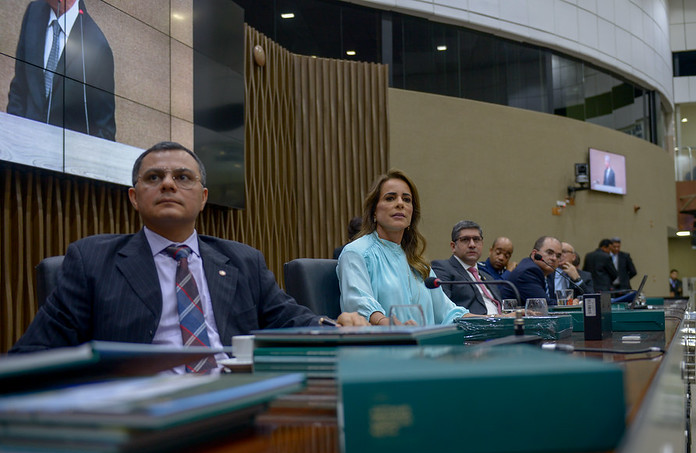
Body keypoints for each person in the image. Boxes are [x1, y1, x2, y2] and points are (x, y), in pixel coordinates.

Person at [11, 142, 366, 354]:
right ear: (134, 197)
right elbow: (34, 352)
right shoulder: (91, 260)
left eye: (182, 177)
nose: (168, 184)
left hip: (235, 399)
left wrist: (335, 326)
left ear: (203, 197)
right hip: (142, 411)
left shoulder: (243, 260)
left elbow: (290, 320)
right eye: (154, 178)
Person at [337, 169, 470, 325]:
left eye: (407, 200)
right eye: (390, 198)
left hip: (425, 340)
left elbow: (448, 312)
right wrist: (392, 326)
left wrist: (491, 319)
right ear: (374, 212)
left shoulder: (418, 263)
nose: (400, 204)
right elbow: (359, 304)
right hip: (387, 340)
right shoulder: (356, 253)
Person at [7, 0, 116, 141]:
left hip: (64, 152)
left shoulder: (98, 47)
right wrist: (13, 136)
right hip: (21, 146)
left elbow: (104, 131)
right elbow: (19, 88)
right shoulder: (33, 12)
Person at [431, 221, 501, 315]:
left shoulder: (488, 277)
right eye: (465, 240)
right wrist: (493, 318)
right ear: (453, 246)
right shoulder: (442, 268)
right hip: (472, 323)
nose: (472, 245)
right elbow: (444, 311)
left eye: (476, 239)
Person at [504, 236, 561, 305]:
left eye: (558, 256)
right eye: (549, 253)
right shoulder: (528, 272)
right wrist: (568, 302)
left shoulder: (549, 273)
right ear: (534, 254)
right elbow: (544, 305)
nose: (554, 258)